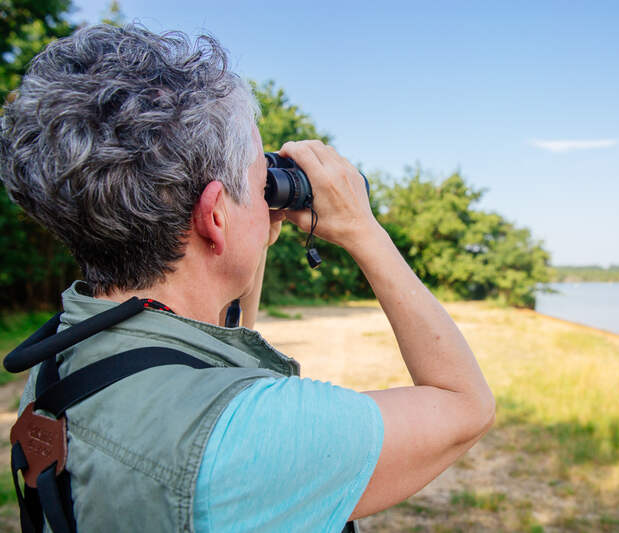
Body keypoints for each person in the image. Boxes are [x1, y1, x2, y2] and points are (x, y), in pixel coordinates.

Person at [0, 23, 495, 532]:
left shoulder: (62, 357)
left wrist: (248, 227)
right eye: (261, 184)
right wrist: (362, 229)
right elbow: (464, 408)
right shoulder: (253, 437)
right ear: (215, 217)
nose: (267, 199)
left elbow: (215, 344)